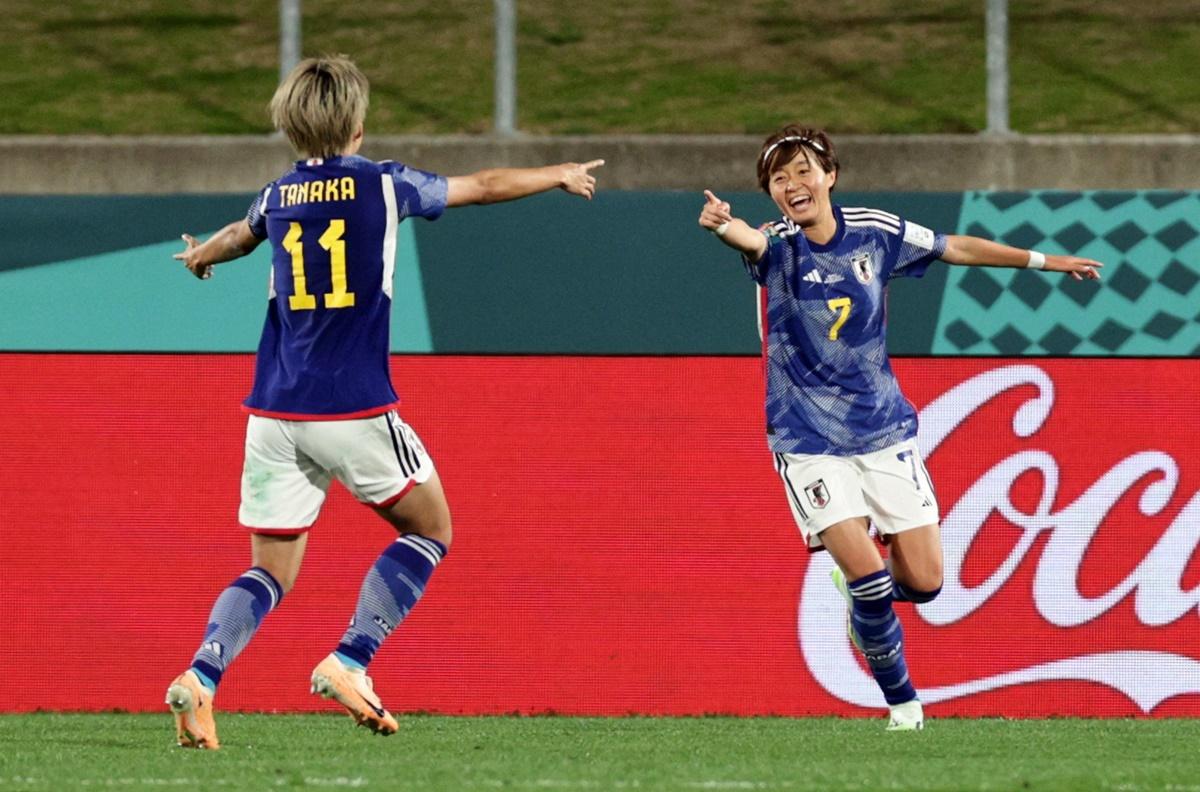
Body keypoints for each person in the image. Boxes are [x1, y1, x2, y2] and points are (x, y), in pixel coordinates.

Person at [166, 55, 603, 750]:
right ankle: (350, 660)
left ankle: (199, 679)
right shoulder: (384, 184)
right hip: (353, 406)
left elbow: (236, 238)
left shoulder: (278, 195)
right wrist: (556, 174)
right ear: (360, 125)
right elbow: (483, 185)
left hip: (275, 411)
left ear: (290, 126)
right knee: (430, 530)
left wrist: (198, 258)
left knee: (270, 568)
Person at [697, 125, 1101, 731]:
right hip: (807, 440)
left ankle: (865, 596)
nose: (792, 185)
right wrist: (722, 225)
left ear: (830, 174)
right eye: (779, 179)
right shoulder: (778, 246)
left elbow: (953, 248)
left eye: (803, 170)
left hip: (883, 429)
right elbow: (746, 241)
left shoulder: (876, 232)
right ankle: (905, 704)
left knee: (927, 582)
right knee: (870, 577)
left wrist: (1046, 262)